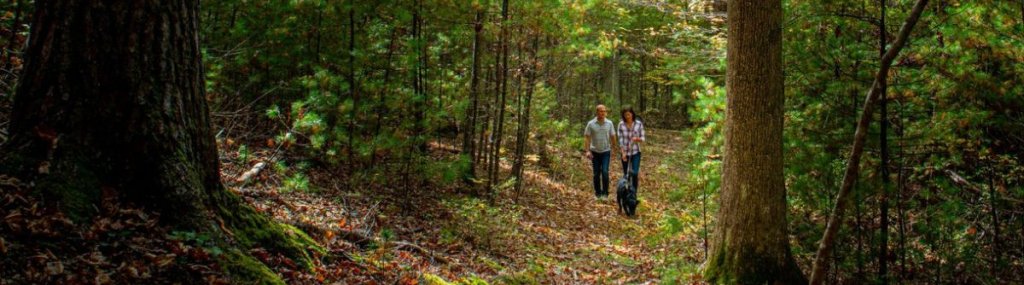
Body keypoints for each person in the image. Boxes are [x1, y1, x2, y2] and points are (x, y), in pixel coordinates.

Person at [584, 105, 619, 200]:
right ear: (597, 112)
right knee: (596, 173)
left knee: (604, 172)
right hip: (594, 152)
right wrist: (587, 151)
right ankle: (597, 193)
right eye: (601, 111)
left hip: (606, 151)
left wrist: (614, 147)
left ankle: (605, 194)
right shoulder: (591, 124)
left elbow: (613, 136)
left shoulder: (609, 123)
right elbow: (587, 137)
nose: (603, 113)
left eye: (604, 111)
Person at [618, 107, 645, 194]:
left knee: (635, 173)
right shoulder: (621, 124)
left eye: (629, 114)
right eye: (625, 115)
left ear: (632, 114)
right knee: (626, 174)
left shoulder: (639, 124)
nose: (627, 116)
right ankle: (626, 191)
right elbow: (620, 139)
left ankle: (634, 193)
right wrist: (623, 153)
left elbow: (643, 138)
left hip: (635, 151)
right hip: (625, 152)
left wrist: (637, 139)